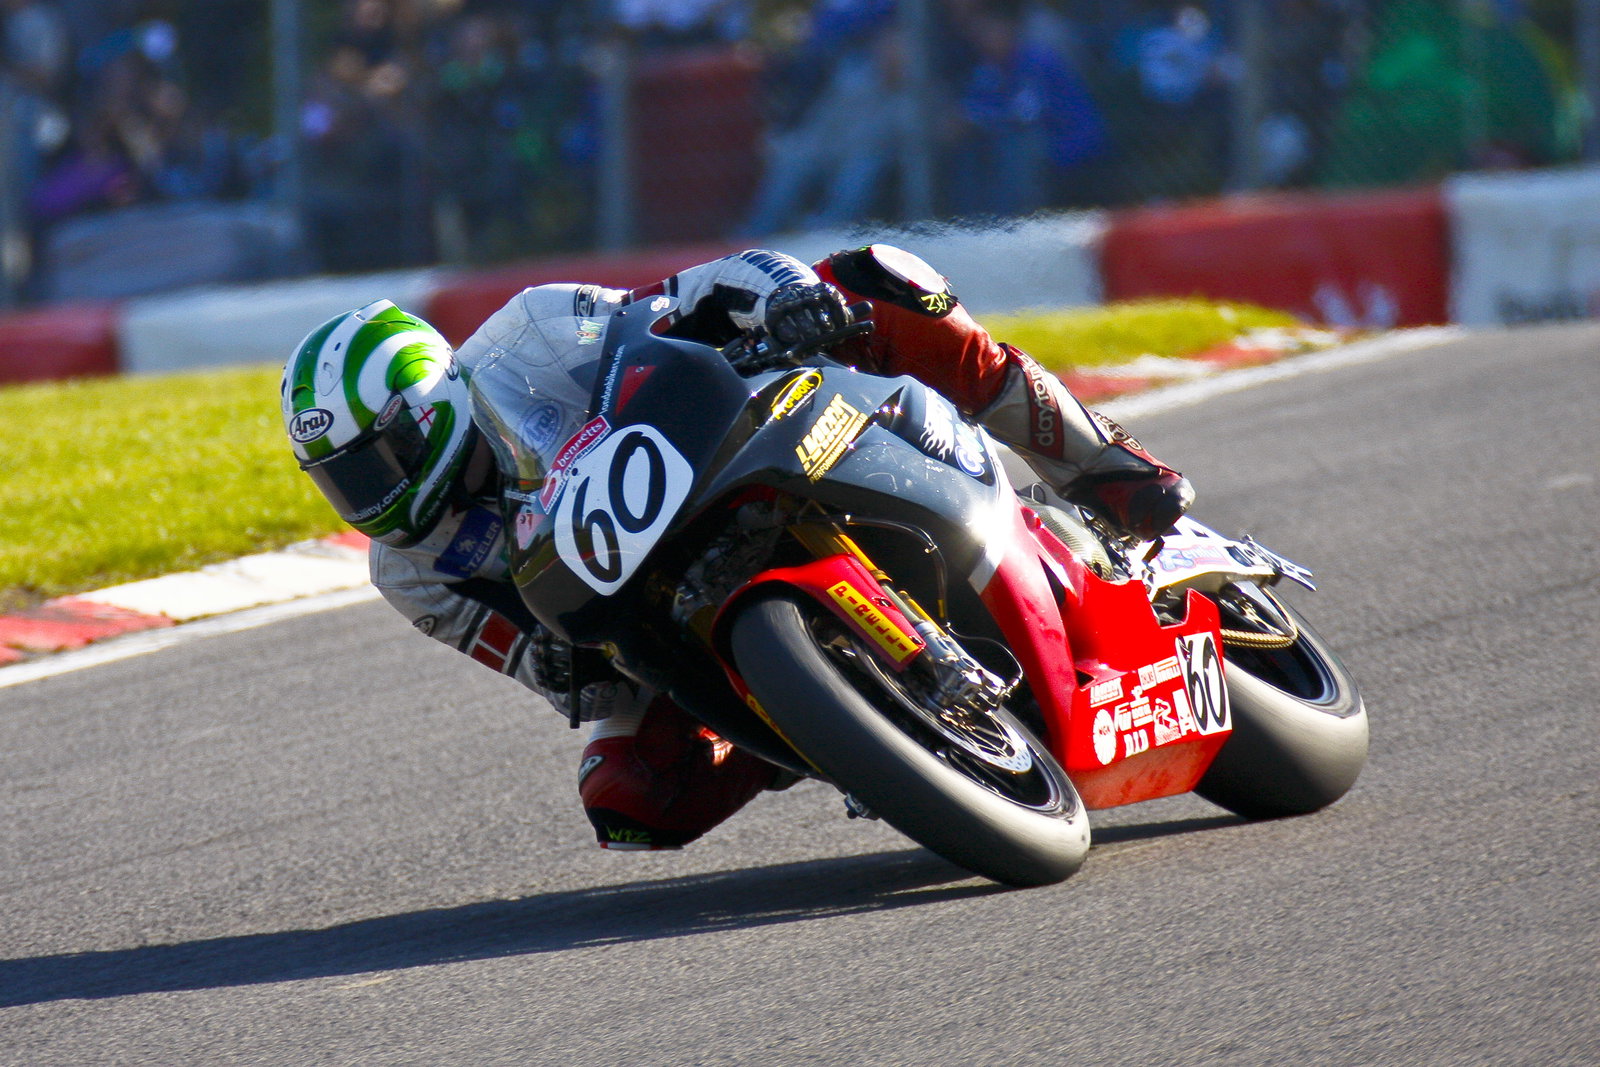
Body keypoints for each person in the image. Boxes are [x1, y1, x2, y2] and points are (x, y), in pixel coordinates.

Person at [280, 245, 1192, 851]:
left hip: (745, 437)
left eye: (380, 462)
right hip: (650, 611)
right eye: (344, 483)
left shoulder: (527, 332)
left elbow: (683, 297)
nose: (375, 498)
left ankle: (1098, 460)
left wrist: (785, 298)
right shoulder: (411, 569)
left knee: (871, 276)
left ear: (431, 404)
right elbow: (561, 677)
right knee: (627, 799)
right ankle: (841, 724)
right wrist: (568, 663)